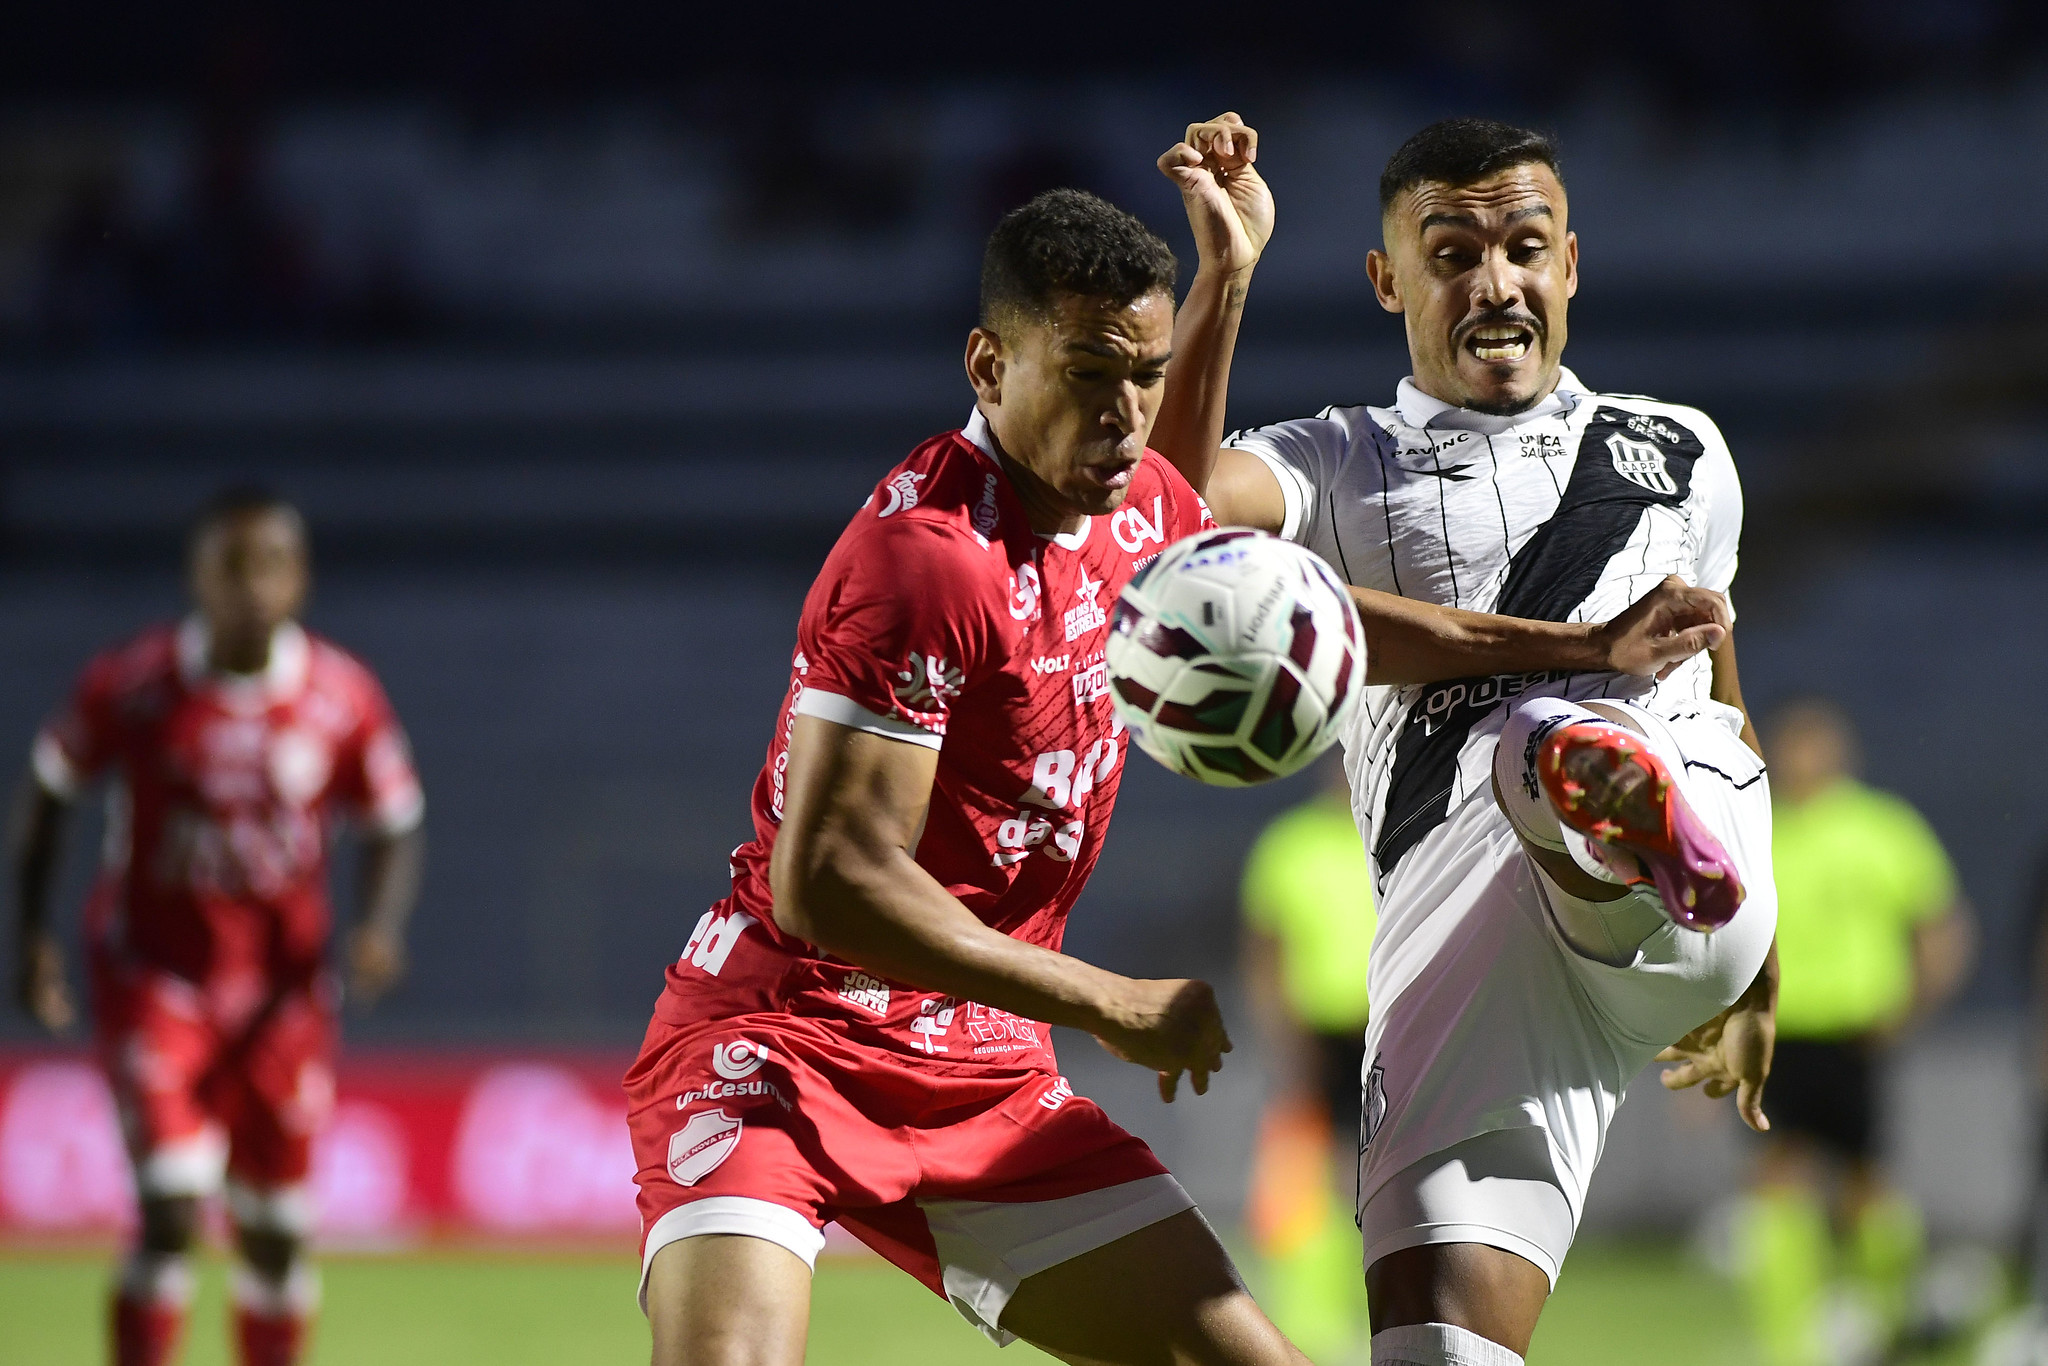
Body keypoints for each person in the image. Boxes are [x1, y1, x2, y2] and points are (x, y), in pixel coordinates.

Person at [624, 145, 1733, 1365]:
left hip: (977, 1070)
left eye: (1143, 379)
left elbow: (1311, 617)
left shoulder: (1135, 505)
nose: (1122, 417)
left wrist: (1573, 643)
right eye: (1089, 375)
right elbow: (828, 880)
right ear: (990, 368)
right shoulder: (924, 561)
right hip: (780, 1040)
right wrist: (1108, 1000)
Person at [1150, 113, 1781, 1366]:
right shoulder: (1331, 463)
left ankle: (1618, 808)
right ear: (1389, 281)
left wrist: (1758, 970)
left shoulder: (1680, 453)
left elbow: (1724, 695)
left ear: (1568, 267)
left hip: (1659, 876)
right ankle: (1611, 802)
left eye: (1523, 247)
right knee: (1433, 1349)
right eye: (1451, 252)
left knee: (1538, 744)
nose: (1493, 279)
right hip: (1458, 940)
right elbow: (1166, 541)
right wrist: (1221, 277)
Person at [11, 489, 426, 1366]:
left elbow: (395, 819)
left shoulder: (339, 697)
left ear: (299, 578)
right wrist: (32, 935)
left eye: (269, 565)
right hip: (158, 974)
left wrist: (378, 927)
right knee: (170, 1211)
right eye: (230, 567)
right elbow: (51, 789)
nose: (250, 587)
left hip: (283, 994)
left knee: (274, 1234)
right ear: (197, 577)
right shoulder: (137, 686)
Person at [1734, 698, 1971, 1366]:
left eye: (1818, 746)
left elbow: (1940, 926)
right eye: (1795, 746)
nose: (1805, 759)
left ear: (1841, 753)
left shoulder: (1883, 829)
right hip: (1779, 1035)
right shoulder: (1761, 831)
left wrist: (1912, 1009)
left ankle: (1890, 1317)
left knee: (1866, 1182)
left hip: (1855, 1034)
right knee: (1776, 1179)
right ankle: (1788, 1345)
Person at [1240, 760, 1377, 1360]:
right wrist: (1284, 1037)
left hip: (1388, 1030)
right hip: (1318, 1033)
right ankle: (1306, 1312)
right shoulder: (1289, 844)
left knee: (1382, 1180)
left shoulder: (1393, 837)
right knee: (1306, 1179)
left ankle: (1376, 1308)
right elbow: (1265, 953)